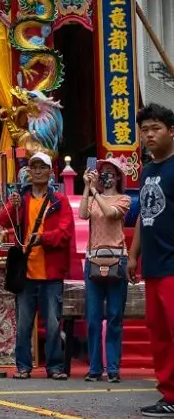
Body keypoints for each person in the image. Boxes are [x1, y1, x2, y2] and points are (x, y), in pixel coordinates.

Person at [0, 151, 76, 380]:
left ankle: (54, 367)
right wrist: (12, 206)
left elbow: (65, 232)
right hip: (26, 272)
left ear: (50, 172)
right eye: (34, 167)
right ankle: (23, 366)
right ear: (29, 172)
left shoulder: (59, 201)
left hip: (51, 272)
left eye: (43, 167)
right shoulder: (21, 199)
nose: (38, 171)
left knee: (53, 323)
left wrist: (43, 238)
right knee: (24, 324)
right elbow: (3, 220)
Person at [128, 103, 174, 419]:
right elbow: (145, 214)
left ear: (172, 131)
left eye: (155, 128)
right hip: (154, 267)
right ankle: (169, 394)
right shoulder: (147, 172)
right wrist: (133, 256)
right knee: (159, 334)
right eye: (144, 130)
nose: (149, 135)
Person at [79, 158, 131, 382]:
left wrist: (95, 193)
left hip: (117, 260)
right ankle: (94, 368)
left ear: (118, 176)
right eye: (103, 172)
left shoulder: (124, 199)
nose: (106, 175)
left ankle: (112, 368)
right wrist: (86, 188)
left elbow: (110, 214)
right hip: (94, 260)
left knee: (114, 317)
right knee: (92, 318)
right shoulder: (92, 199)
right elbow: (82, 215)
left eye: (110, 171)